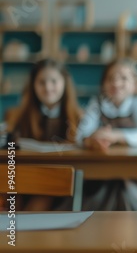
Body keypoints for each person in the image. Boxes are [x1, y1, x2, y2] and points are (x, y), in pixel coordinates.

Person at [76, 58, 137, 210]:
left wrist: (114, 135)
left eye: (123, 78)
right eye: (110, 78)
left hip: (136, 170)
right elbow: (80, 135)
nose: (116, 83)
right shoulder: (97, 103)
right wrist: (92, 140)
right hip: (104, 170)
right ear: (103, 84)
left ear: (134, 85)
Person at [6, 58, 81, 211]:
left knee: (41, 199)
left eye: (54, 81)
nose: (48, 87)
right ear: (33, 85)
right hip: (24, 177)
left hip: (60, 180)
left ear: (64, 83)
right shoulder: (18, 116)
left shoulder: (78, 117)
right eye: (41, 82)